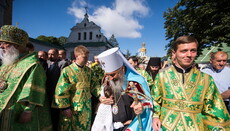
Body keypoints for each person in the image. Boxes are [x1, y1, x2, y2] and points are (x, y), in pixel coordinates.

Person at [152, 36, 230, 131]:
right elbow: (155, 100)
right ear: (174, 53)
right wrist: (155, 116)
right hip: (166, 126)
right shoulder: (162, 76)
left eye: (193, 51)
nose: (189, 55)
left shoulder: (206, 79)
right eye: (184, 51)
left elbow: (214, 109)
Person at [0, 25, 52, 130]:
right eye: (0, 43)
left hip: (19, 112)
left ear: (17, 46)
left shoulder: (32, 65)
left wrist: (28, 111)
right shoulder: (7, 63)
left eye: (5, 43)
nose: (1, 46)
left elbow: (36, 90)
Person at [92, 47, 153, 131]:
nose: (110, 78)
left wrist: (141, 106)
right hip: (111, 125)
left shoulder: (136, 81)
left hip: (131, 125)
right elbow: (102, 94)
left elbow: (148, 103)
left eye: (113, 74)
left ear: (123, 69)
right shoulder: (107, 78)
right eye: (108, 74)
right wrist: (101, 99)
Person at [52, 45, 101, 131]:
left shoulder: (89, 71)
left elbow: (94, 86)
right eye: (84, 57)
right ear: (76, 56)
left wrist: (101, 96)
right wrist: (65, 107)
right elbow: (61, 90)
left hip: (86, 107)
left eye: (87, 57)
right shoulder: (67, 71)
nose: (86, 59)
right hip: (72, 106)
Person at [46, 48, 69, 131]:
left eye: (52, 54)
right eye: (48, 54)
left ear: (57, 55)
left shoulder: (62, 63)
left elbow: (63, 79)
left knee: (56, 115)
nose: (50, 56)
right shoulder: (47, 63)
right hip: (47, 93)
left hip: (57, 93)